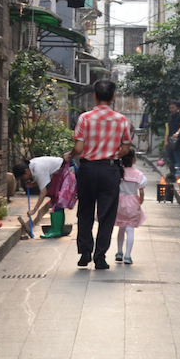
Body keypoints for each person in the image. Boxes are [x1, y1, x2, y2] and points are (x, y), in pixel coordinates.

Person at [72, 79, 133, 269]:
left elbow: (79, 147)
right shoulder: (121, 120)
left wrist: (70, 155)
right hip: (110, 169)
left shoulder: (85, 118)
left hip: (88, 169)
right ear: (113, 97)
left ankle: (84, 253)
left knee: (85, 211)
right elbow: (125, 148)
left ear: (95, 96)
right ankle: (100, 257)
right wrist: (113, 153)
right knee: (107, 214)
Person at [13, 155, 72, 237]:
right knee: (57, 201)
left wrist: (34, 210)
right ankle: (59, 229)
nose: (23, 179)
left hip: (66, 171)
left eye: (22, 177)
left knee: (57, 201)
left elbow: (43, 192)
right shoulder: (33, 166)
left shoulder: (37, 169)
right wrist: (33, 184)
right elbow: (43, 177)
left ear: (26, 171)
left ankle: (56, 230)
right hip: (61, 171)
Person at [113, 151, 147, 264]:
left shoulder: (118, 172)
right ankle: (127, 255)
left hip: (119, 202)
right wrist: (140, 200)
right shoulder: (138, 174)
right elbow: (141, 190)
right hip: (132, 202)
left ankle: (119, 252)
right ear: (134, 160)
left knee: (121, 228)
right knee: (130, 229)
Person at [163, 101, 180, 181]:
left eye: (173, 107)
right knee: (171, 159)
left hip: (178, 141)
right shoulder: (170, 116)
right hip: (170, 141)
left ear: (177, 107)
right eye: (170, 108)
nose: (172, 109)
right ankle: (173, 175)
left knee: (178, 158)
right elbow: (167, 129)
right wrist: (166, 141)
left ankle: (178, 175)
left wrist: (177, 133)